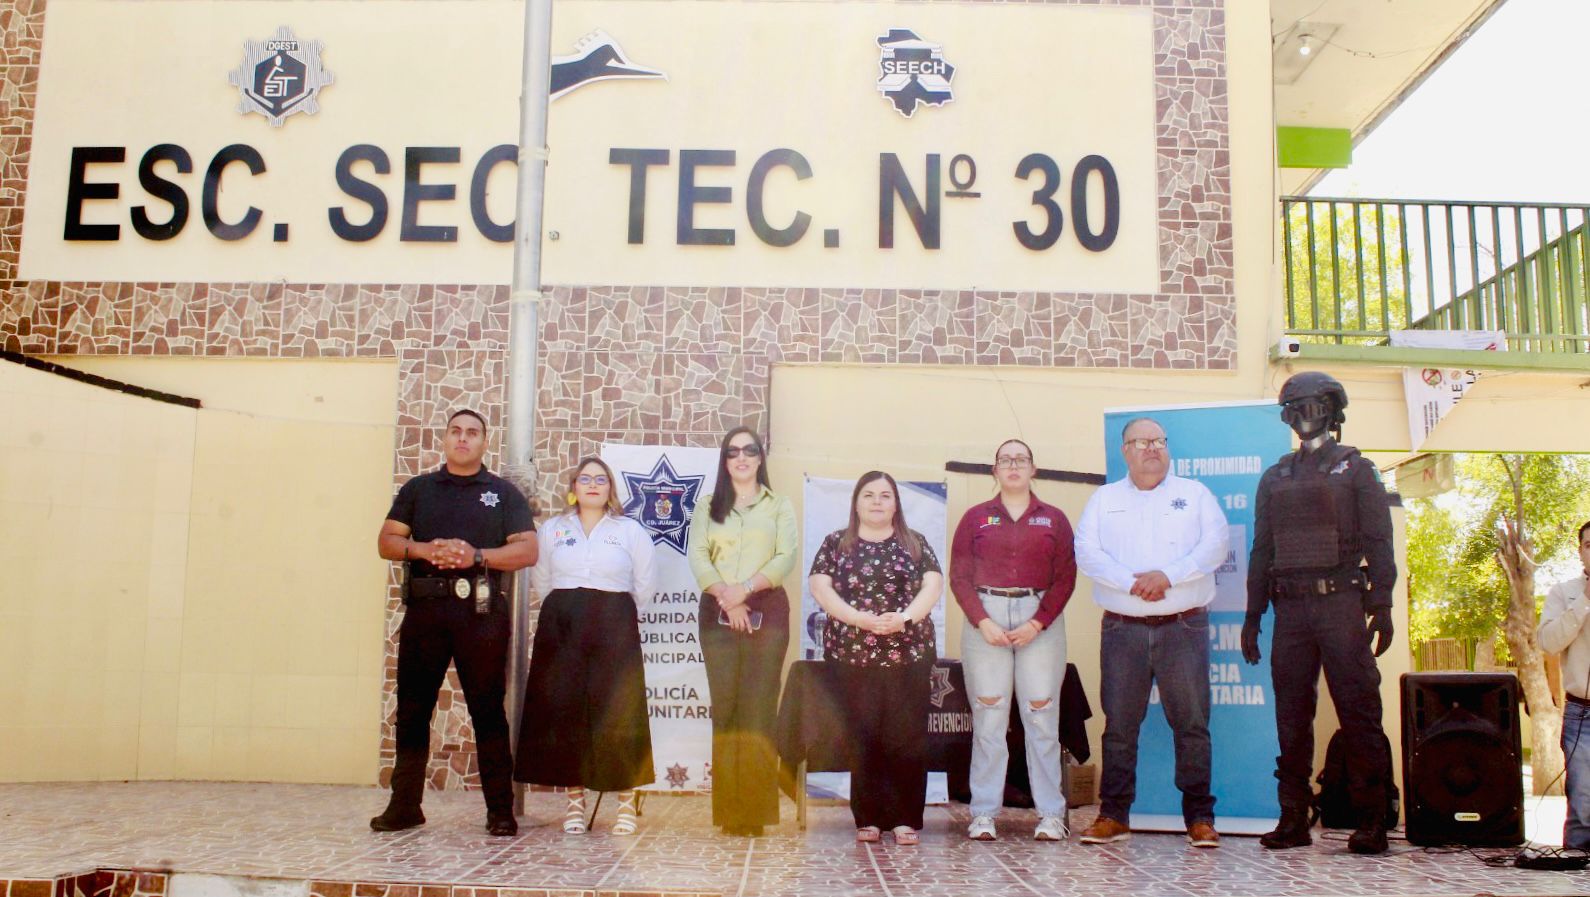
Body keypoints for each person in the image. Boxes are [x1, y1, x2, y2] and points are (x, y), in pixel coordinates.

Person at [1241, 371, 1396, 855]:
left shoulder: (1357, 469)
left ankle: (1371, 819)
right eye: (1296, 408)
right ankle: (1292, 817)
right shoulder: (1275, 477)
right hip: (1290, 610)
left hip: (1341, 604)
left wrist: (1382, 602)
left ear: (1332, 411)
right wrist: (1253, 614)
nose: (1304, 416)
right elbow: (1262, 549)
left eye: (1313, 406)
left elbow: (1379, 539)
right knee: (1290, 716)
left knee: (1358, 710)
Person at [372, 409, 537, 836]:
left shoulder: (502, 494)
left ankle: (500, 811)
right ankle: (405, 806)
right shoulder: (419, 489)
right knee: (412, 710)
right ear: (445, 439)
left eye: (472, 433)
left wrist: (475, 556)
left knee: (487, 710)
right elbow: (387, 541)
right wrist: (426, 550)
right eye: (456, 431)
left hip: (479, 614)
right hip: (426, 612)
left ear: (485, 442)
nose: (463, 438)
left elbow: (527, 551)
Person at [1074, 417, 1229, 848]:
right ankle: (1113, 815)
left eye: (1159, 441)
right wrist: (1132, 584)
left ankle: (1200, 818)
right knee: (1119, 726)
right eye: (1141, 442)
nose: (1152, 449)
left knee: (1192, 724)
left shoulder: (1195, 495)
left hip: (1183, 627)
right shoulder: (1104, 499)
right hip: (1122, 629)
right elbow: (1086, 552)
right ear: (1125, 450)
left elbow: (1216, 545)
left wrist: (1168, 576)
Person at [514, 457, 657, 835]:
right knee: (567, 711)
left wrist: (617, 614)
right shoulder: (553, 529)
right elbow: (543, 580)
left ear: (611, 488)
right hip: (563, 624)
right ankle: (574, 803)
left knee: (620, 710)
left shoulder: (630, 531)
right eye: (585, 479)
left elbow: (644, 585)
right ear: (573, 487)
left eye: (601, 479)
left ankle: (625, 804)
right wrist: (569, 609)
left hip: (615, 623)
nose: (593, 485)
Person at [950, 438, 1077, 842]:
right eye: (1005, 460)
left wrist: (1038, 623)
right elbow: (959, 576)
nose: (1013, 465)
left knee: (1041, 716)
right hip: (986, 618)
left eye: (1021, 459)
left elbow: (1066, 577)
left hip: (1039, 620)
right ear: (995, 471)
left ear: (1033, 469)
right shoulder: (975, 518)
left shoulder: (1054, 519)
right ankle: (983, 813)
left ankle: (1051, 815)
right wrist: (981, 621)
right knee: (989, 716)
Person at [809, 471, 945, 846]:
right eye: (868, 495)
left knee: (907, 736)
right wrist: (858, 619)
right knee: (863, 734)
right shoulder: (835, 543)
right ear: (856, 502)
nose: (877, 502)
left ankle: (904, 819)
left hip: (909, 652)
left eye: (885, 495)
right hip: (853, 654)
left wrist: (904, 619)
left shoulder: (915, 543)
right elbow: (820, 587)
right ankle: (867, 817)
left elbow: (933, 584)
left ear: (896, 504)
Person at [687, 425, 798, 836]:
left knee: (758, 708)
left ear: (760, 457)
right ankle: (730, 813)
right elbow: (698, 554)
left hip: (767, 610)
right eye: (733, 451)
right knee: (727, 708)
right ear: (724, 460)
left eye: (749, 450)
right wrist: (727, 596)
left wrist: (744, 590)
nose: (741, 458)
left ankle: (755, 814)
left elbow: (786, 556)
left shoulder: (779, 505)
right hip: (718, 610)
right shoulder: (707, 505)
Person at [1536, 520, 1590, 850]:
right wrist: (1584, 602)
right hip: (1582, 713)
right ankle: (1577, 863)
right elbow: (1549, 642)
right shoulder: (1564, 593)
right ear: (1580, 551)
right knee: (1583, 799)